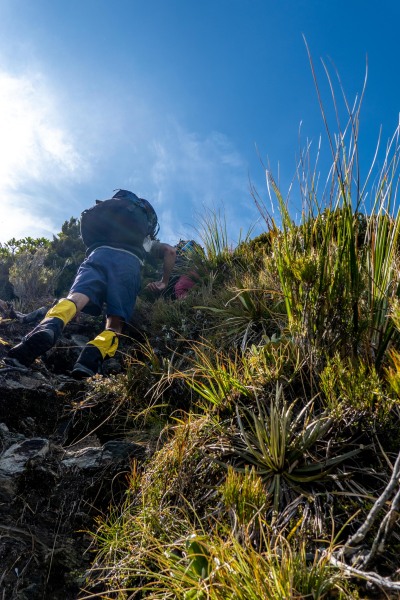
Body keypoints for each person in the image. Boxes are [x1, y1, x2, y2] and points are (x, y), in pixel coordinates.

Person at [6, 189, 176, 378]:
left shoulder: (108, 226)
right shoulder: (145, 240)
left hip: (98, 254)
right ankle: (92, 355)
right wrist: (164, 281)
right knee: (115, 323)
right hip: (128, 264)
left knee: (75, 299)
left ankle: (50, 325)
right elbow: (170, 251)